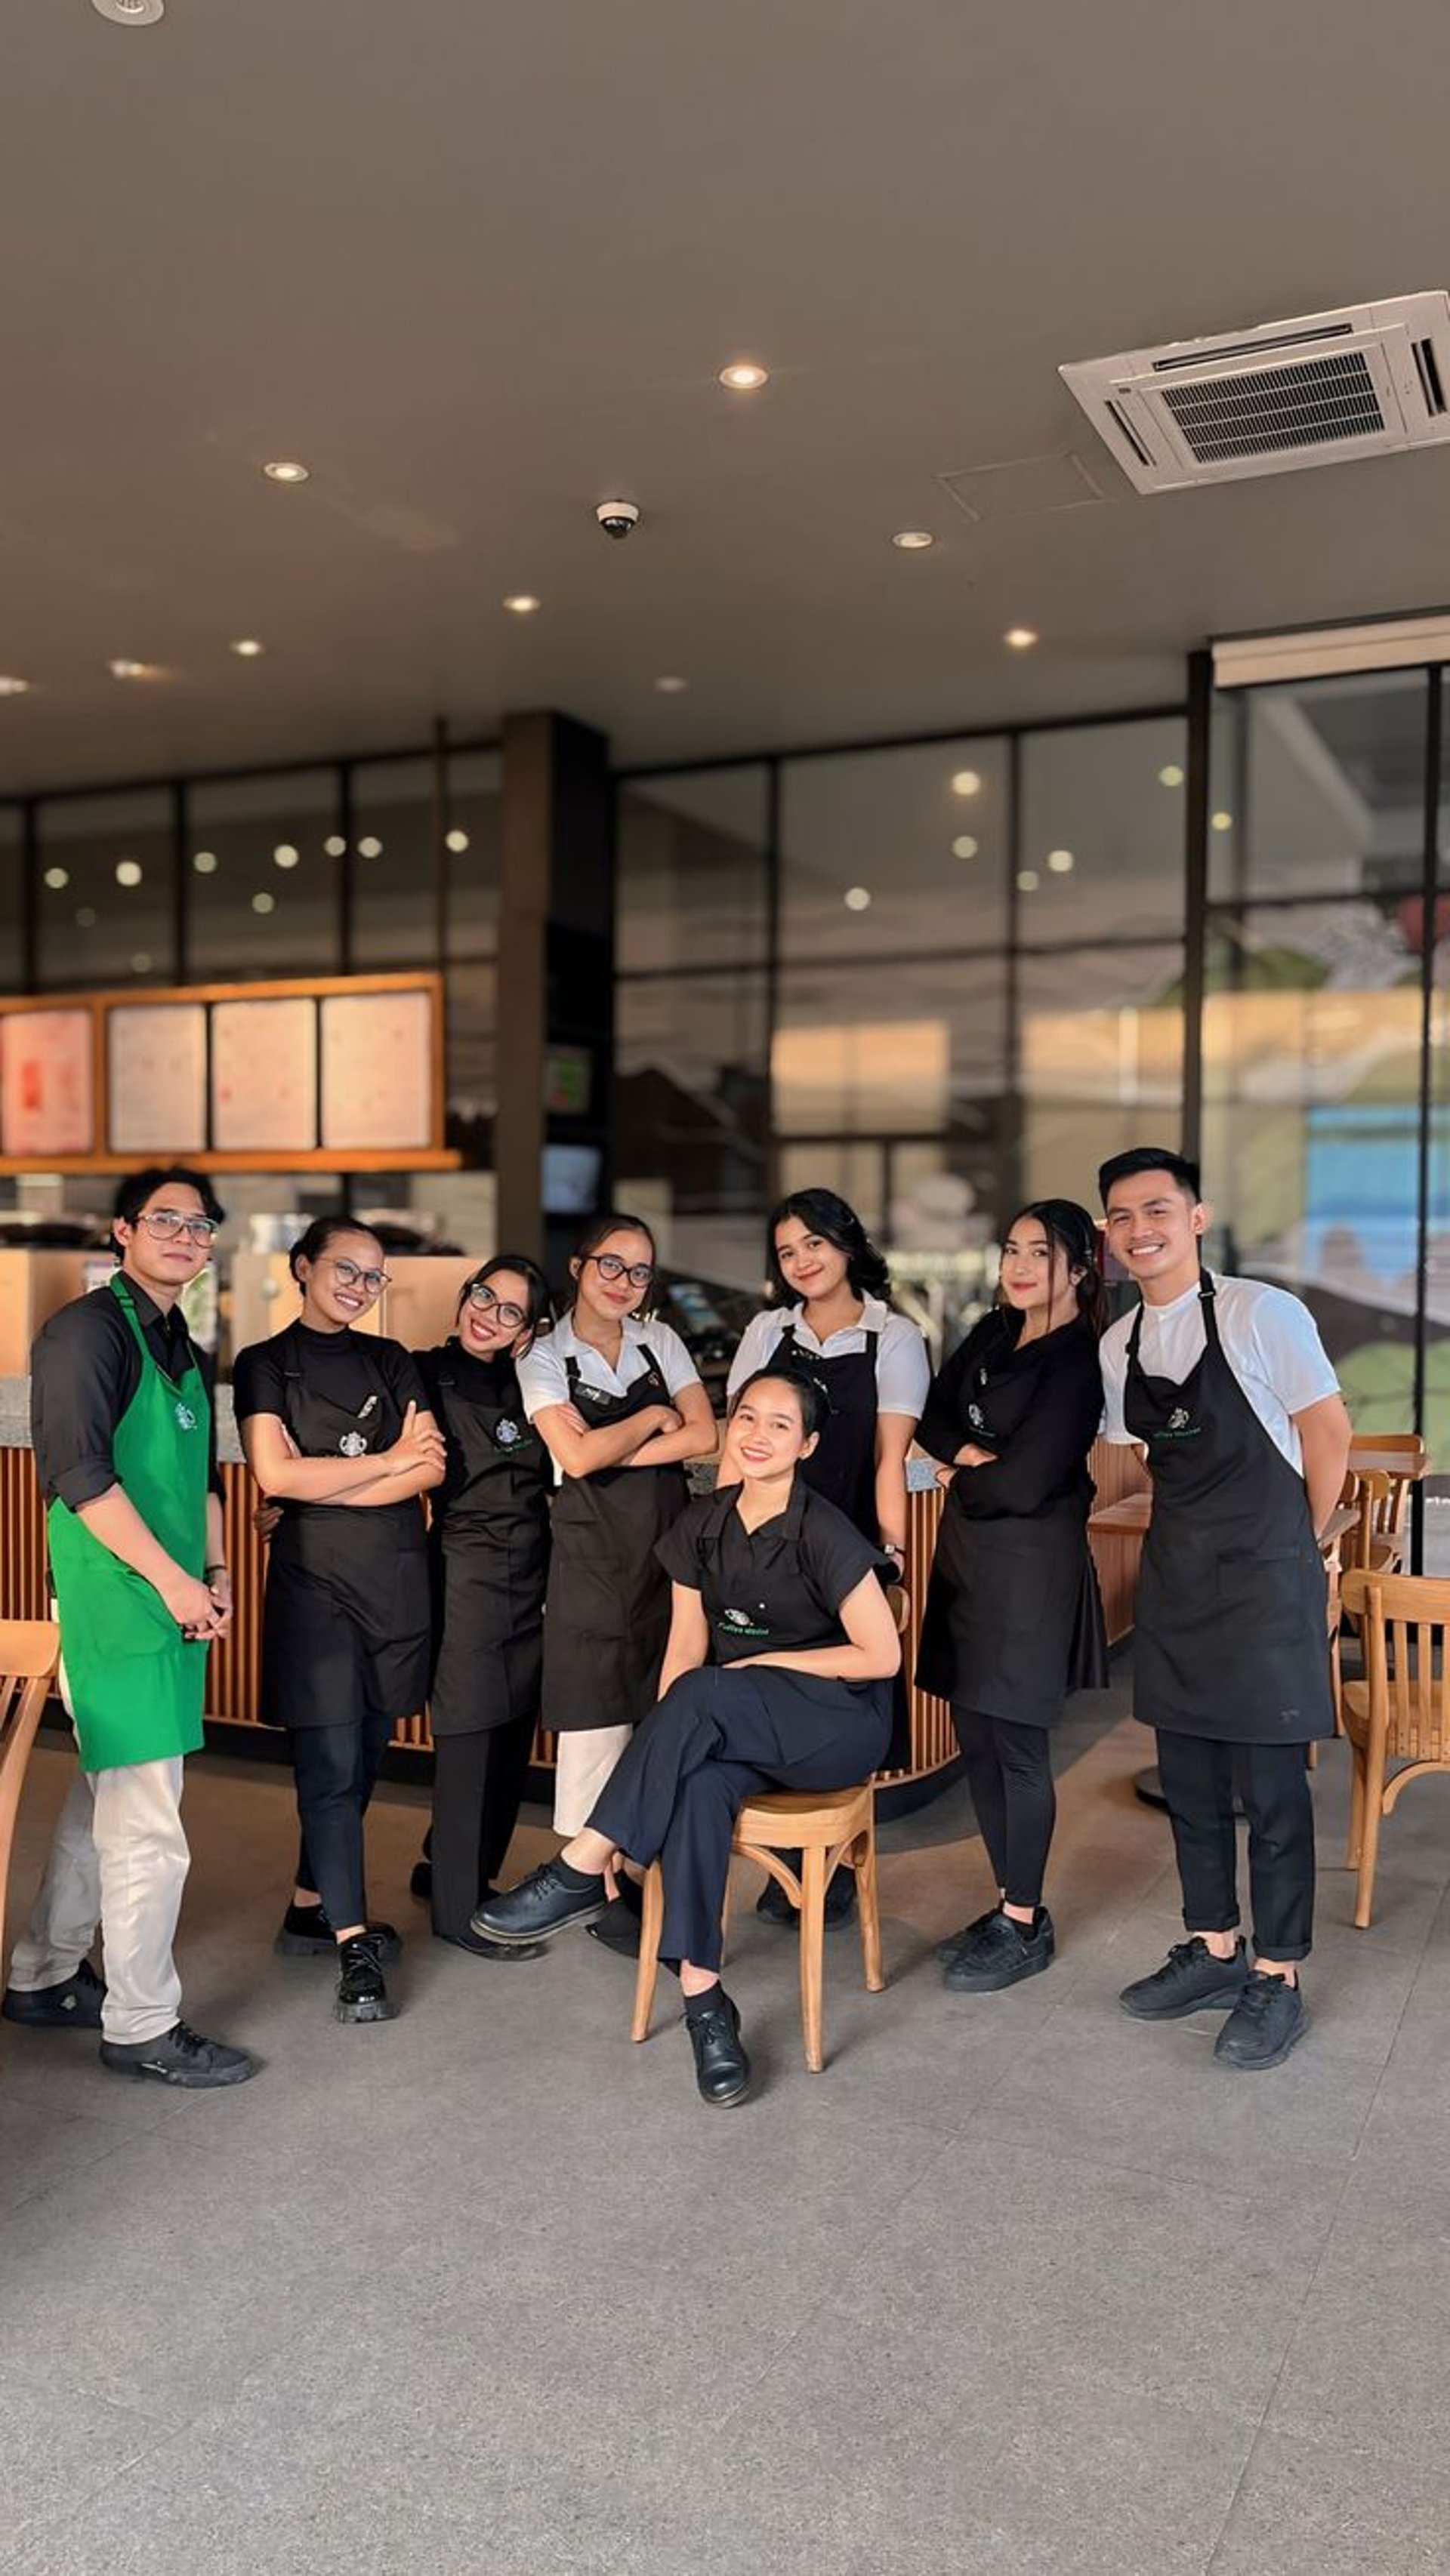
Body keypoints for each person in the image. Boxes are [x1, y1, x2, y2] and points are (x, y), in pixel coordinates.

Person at [474, 1366, 901, 2105]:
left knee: (706, 1692)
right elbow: (683, 1650)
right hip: (739, 1720)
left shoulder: (824, 1529)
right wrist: (671, 1747)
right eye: (747, 1418)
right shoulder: (700, 1524)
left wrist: (769, 1660)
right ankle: (707, 2004)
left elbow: (880, 1654)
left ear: (807, 1444)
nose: (758, 1434)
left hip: (835, 1723)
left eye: (780, 1424)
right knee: (697, 1785)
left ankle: (583, 1863)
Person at [1098, 1147, 1351, 2071]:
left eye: (1157, 1209)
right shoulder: (1117, 1343)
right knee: (1192, 1785)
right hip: (1177, 1582)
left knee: (1274, 1795)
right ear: (1108, 1236)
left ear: (1196, 1218)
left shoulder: (1259, 1310)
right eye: (1121, 1217)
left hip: (1265, 1580)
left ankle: (1277, 1976)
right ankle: (1213, 1949)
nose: (1140, 1229)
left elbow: (1329, 1431)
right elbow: (1144, 1459)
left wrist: (1300, 1544)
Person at [2, 1167, 253, 2088]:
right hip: (119, 1602)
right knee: (149, 1824)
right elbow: (81, 1479)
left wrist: (215, 1573)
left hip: (171, 1597)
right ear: (121, 1231)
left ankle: (43, 1973)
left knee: (109, 1794)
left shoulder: (184, 1336)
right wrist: (177, 1585)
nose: (187, 1235)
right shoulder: (83, 1334)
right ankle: (143, 2024)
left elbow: (206, 1476)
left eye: (201, 1223)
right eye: (167, 1220)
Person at [233, 1217, 446, 2026]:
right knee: (325, 1759)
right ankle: (354, 1946)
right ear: (302, 1268)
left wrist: (323, 1485)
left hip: (394, 1581)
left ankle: (309, 1904)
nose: (359, 1286)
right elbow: (274, 1470)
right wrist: (385, 1459)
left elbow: (428, 1468)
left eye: (373, 1276)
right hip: (314, 1589)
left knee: (362, 1754)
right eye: (345, 1269)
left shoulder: (390, 1360)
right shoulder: (265, 1363)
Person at [915, 1200, 1109, 1992]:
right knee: (978, 1740)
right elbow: (930, 1415)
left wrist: (965, 1472)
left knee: (1019, 1746)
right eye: (1012, 1250)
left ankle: (1026, 1920)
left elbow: (1030, 1483)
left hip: (1031, 1570)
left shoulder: (1077, 1359)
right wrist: (970, 1455)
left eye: (1041, 1252)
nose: (1021, 1266)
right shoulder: (995, 1333)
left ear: (1080, 1269)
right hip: (969, 1560)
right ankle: (1008, 1902)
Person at [515, 1213, 716, 1949]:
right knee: (596, 1718)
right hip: (590, 1559)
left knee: (659, 1707)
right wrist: (655, 1417)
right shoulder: (542, 1354)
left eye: (639, 1271)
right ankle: (589, 1884)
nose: (625, 1283)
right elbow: (574, 1449)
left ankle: (630, 1870)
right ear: (578, 1265)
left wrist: (604, 1449)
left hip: (669, 1553)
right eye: (611, 1265)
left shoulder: (660, 1339)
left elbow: (708, 1435)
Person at [727, 1187, 929, 1921]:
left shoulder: (893, 1336)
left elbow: (888, 1458)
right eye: (787, 1251)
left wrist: (894, 1549)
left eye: (814, 1242)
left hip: (844, 1552)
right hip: (768, 1548)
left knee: (843, 1693)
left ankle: (834, 1862)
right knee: (774, 1690)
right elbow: (738, 1444)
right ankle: (787, 1859)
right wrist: (723, 1538)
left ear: (846, 1243)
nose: (802, 1261)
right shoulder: (766, 1331)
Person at [415, 1256, 554, 1959]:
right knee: (470, 1730)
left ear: (527, 1331)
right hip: (465, 1567)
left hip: (535, 1567)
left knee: (511, 1731)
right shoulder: (420, 1372)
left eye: (509, 1311)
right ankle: (457, 1912)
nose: (488, 1315)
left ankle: (460, 1869)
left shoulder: (540, 1383)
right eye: (483, 1297)